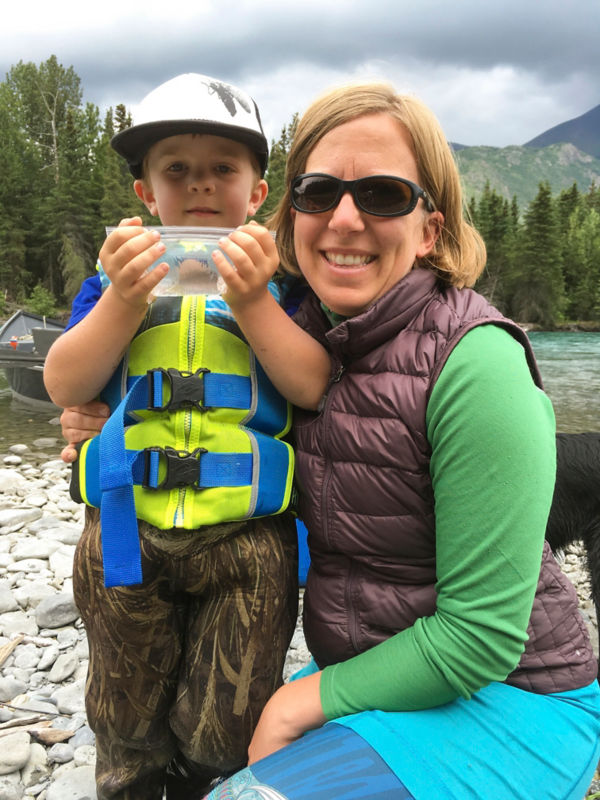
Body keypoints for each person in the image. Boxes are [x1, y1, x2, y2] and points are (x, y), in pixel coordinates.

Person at [58, 82, 600, 799]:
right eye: (318, 192)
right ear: (289, 216)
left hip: (510, 696)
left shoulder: (478, 364)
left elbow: (481, 639)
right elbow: (108, 380)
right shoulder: (299, 327)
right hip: (378, 673)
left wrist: (294, 701)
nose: (344, 220)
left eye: (382, 195)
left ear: (431, 229)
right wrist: (101, 420)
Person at [43, 73, 300, 800]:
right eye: (176, 170)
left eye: (224, 168)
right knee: (124, 698)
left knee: (230, 715)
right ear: (145, 195)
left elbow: (311, 385)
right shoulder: (115, 277)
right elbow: (66, 384)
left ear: (257, 192)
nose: (200, 186)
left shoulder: (286, 282)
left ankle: (208, 781)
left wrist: (254, 302)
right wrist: (123, 299)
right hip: (127, 527)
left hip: (246, 536)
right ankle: (127, 779)